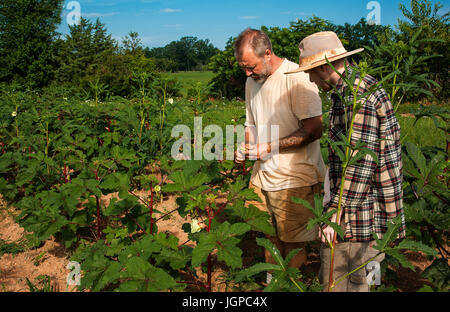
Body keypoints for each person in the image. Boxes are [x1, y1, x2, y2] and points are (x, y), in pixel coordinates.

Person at [286, 31, 406, 291]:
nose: (308, 78)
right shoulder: (356, 88)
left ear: (321, 68)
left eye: (309, 71)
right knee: (362, 283)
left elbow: (360, 161)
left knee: (341, 284)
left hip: (358, 219)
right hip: (365, 213)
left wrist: (333, 214)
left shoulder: (357, 96)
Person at [234, 28, 326, 274]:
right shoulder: (251, 81)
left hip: (294, 178)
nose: (247, 72)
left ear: (267, 53)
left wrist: (271, 145)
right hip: (262, 175)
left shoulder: (295, 77)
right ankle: (273, 284)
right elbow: (251, 124)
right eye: (243, 67)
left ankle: (290, 283)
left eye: (251, 66)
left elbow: (314, 129)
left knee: (293, 243)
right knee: (267, 237)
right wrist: (247, 148)